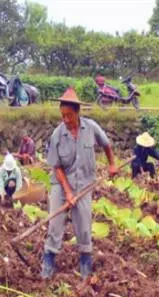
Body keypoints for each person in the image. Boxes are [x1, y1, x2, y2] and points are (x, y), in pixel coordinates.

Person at [42, 87, 117, 280]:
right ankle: (48, 262)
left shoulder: (91, 128)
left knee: (84, 225)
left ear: (77, 113)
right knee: (55, 224)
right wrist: (67, 192)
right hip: (61, 184)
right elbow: (57, 167)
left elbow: (106, 144)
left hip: (84, 184)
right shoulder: (57, 135)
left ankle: (85, 265)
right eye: (62, 116)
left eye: (69, 115)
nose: (65, 120)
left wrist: (112, 165)